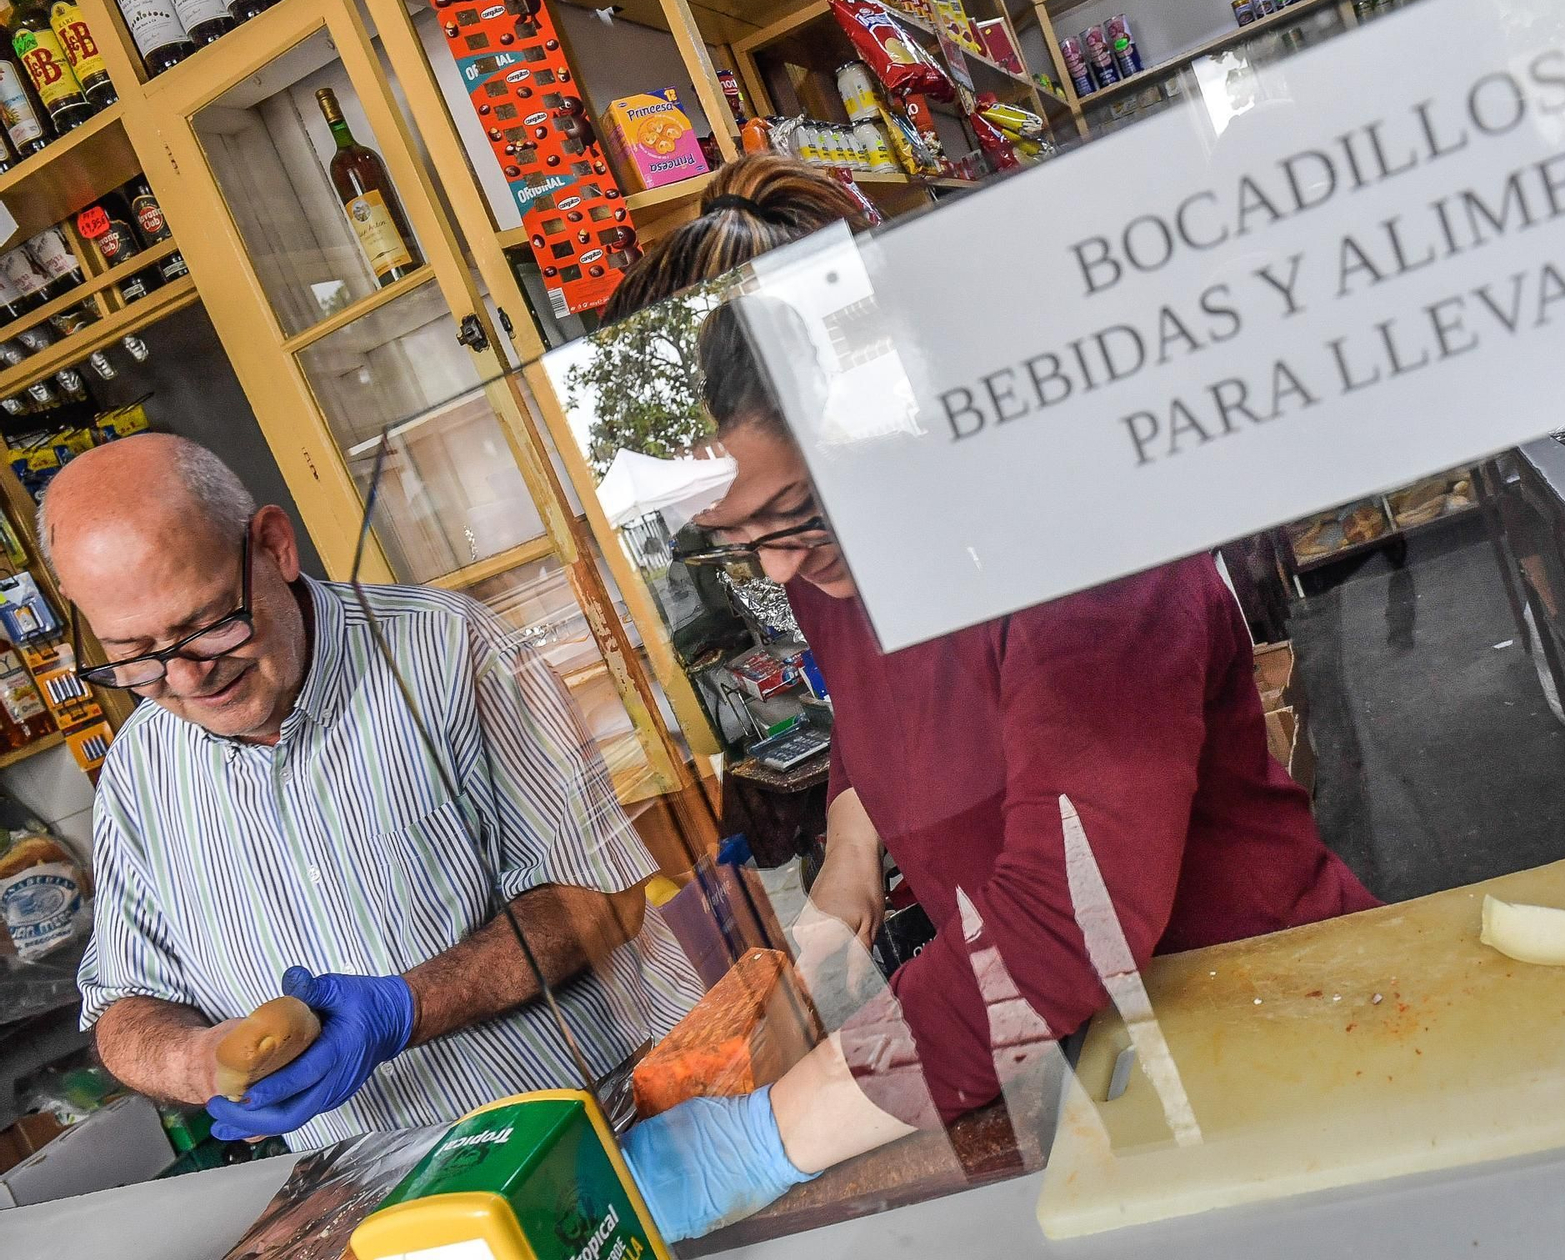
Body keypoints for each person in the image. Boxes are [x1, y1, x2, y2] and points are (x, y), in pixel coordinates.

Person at [607, 156, 1380, 1238]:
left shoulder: (1073, 539)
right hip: (1089, 1059)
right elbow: (893, 710)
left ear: (873, 413)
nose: (777, 572)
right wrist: (844, 862)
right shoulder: (839, 557)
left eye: (788, 516)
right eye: (735, 540)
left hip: (1274, 1022)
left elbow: (1066, 922)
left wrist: (764, 1134)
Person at [44, 434, 689, 1150]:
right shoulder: (139, 771)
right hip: (387, 1194)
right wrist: (195, 1059)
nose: (190, 677)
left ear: (275, 546)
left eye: (209, 624)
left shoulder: (450, 651)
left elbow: (602, 898)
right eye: (136, 657)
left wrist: (405, 1008)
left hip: (614, 1126)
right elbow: (120, 1007)